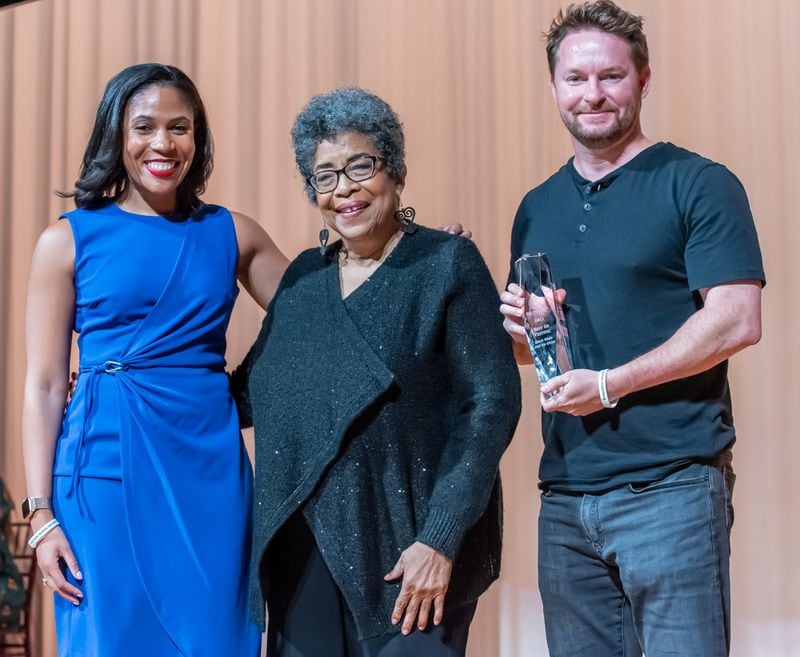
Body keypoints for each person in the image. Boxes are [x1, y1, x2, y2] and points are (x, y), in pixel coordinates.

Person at [499, 2, 764, 656]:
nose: (593, 94)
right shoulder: (536, 207)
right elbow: (535, 357)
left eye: (611, 77)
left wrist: (612, 384)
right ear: (554, 86)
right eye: (576, 79)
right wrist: (536, 336)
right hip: (564, 497)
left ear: (644, 80)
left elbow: (736, 318)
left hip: (671, 487)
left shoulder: (697, 183)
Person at [231, 86, 521, 657]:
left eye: (360, 166)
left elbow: (490, 405)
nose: (345, 189)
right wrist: (130, 386)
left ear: (395, 170)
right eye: (325, 175)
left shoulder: (445, 263)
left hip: (409, 556)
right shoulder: (303, 283)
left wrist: (440, 538)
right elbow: (248, 393)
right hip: (303, 553)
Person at [20, 63, 289, 656]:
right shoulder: (66, 240)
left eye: (180, 127)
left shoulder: (232, 233)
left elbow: (322, 313)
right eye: (144, 127)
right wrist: (40, 516)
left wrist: (408, 253)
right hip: (101, 475)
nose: (163, 144)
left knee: (215, 640)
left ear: (199, 138)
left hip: (212, 478)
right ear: (116, 134)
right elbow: (42, 386)